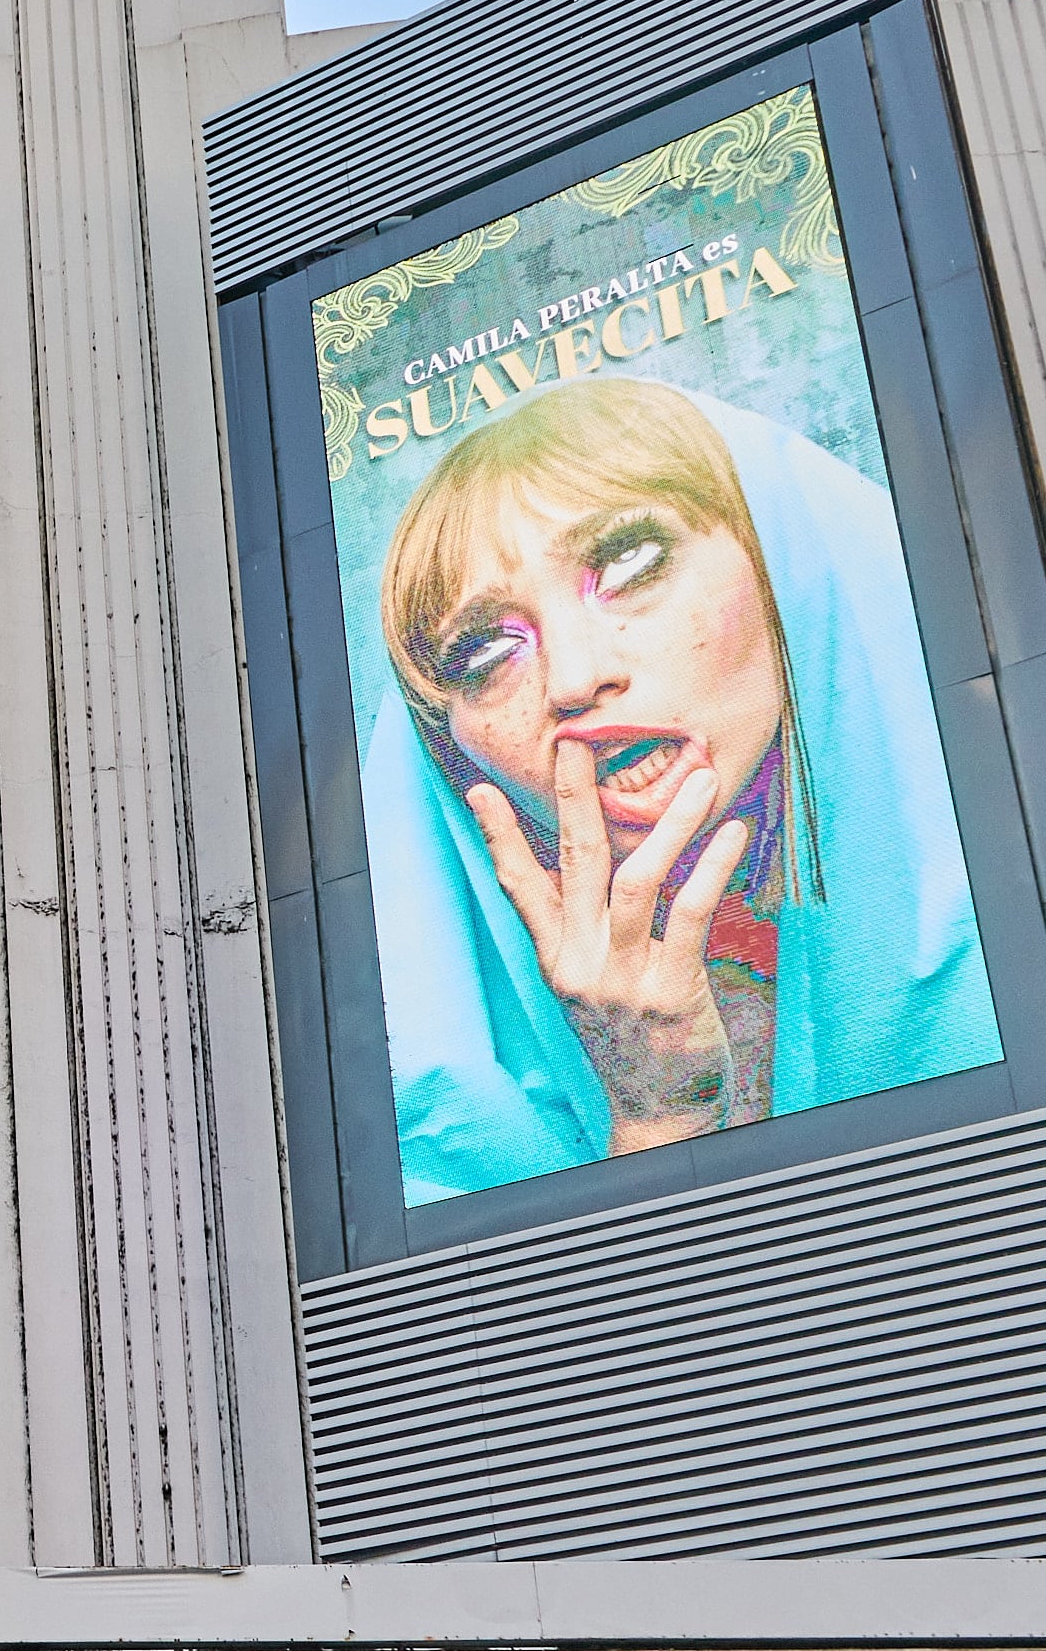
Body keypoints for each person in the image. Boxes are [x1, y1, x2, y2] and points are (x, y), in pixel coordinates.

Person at [363, 379, 999, 1203]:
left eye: (631, 564)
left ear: (784, 565)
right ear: (453, 755)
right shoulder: (418, 1119)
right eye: (485, 654)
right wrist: (658, 1116)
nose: (577, 678)